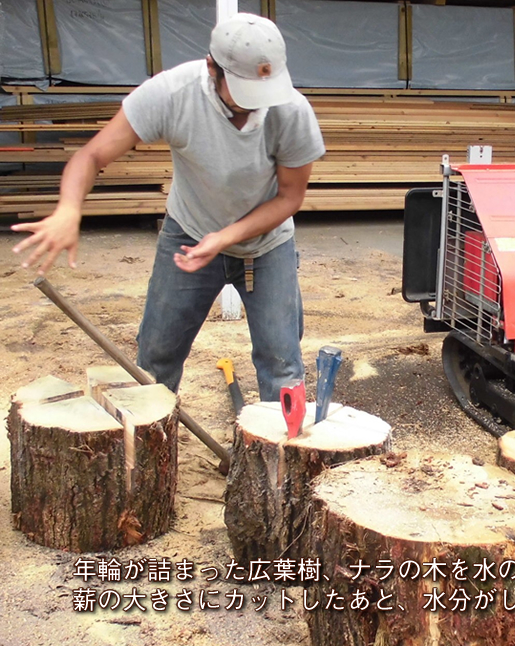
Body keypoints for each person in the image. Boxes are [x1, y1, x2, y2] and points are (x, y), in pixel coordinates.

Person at [10, 13, 325, 402]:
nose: (254, 108)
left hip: (267, 246)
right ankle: (145, 456)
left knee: (283, 367)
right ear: (213, 68)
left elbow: (289, 198)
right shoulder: (173, 94)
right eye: (244, 95)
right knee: (155, 361)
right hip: (188, 234)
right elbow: (91, 155)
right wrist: (69, 210)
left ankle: (279, 461)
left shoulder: (290, 110)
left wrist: (224, 237)